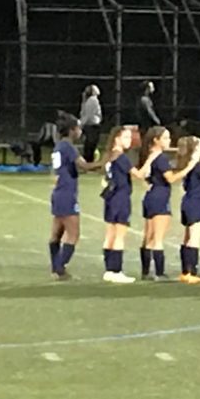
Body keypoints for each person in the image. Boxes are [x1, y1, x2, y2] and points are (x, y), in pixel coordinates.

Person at [49, 112, 101, 280]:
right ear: (72, 130)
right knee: (73, 234)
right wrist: (105, 161)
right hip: (67, 194)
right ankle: (59, 268)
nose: (80, 131)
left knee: (56, 233)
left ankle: (55, 267)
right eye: (78, 128)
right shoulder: (68, 147)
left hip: (58, 192)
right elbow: (84, 166)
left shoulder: (59, 146)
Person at [139, 126, 195, 281]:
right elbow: (170, 178)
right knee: (158, 237)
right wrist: (188, 168)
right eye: (165, 138)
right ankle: (159, 272)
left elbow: (143, 175)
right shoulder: (160, 158)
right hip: (160, 196)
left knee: (148, 236)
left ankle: (145, 271)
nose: (169, 141)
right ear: (156, 140)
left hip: (150, 196)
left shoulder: (150, 156)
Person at [100, 126, 151, 283]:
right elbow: (139, 175)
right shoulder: (121, 157)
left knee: (110, 234)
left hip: (110, 197)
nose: (129, 140)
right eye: (126, 137)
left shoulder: (109, 156)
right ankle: (116, 270)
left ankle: (109, 269)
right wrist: (151, 159)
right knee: (120, 235)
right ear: (117, 139)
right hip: (121, 197)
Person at [176, 136, 200, 284]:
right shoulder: (199, 166)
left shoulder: (185, 164)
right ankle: (191, 272)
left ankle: (185, 271)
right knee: (194, 239)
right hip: (196, 204)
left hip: (187, 202)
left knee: (187, 237)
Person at [80, 85, 102, 162]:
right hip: (92, 125)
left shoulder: (91, 100)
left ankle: (88, 160)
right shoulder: (92, 100)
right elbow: (89, 114)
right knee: (90, 144)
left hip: (91, 125)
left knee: (89, 145)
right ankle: (88, 161)